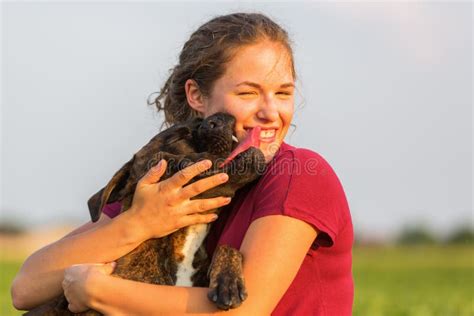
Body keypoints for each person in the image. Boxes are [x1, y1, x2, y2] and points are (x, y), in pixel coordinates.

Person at [11, 12, 353, 315]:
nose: (270, 112)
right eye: (248, 93)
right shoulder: (178, 181)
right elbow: (25, 288)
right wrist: (140, 224)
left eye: (283, 93)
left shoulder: (297, 174)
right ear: (197, 96)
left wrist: (97, 290)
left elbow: (240, 312)